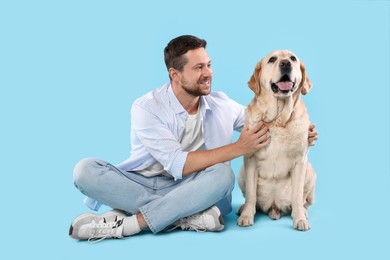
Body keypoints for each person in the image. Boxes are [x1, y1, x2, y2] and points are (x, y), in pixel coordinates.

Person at [69, 35, 318, 242]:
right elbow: (178, 164)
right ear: (175, 74)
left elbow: (263, 124)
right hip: (144, 183)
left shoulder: (221, 104)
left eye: (208, 65)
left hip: (197, 186)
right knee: (85, 170)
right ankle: (186, 215)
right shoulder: (146, 107)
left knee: (222, 175)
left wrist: (301, 131)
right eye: (198, 68)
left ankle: (126, 223)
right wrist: (238, 148)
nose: (208, 73)